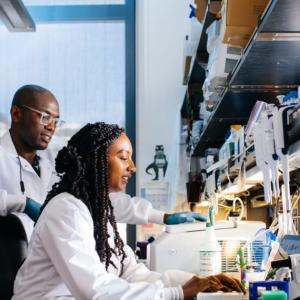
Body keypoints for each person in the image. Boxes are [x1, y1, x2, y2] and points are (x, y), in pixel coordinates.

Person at [13, 122, 245, 300]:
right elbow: (96, 291)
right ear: (96, 161)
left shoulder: (99, 212)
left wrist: (197, 282)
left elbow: (133, 274)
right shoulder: (66, 210)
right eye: (123, 158)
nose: (132, 167)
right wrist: (175, 294)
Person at [0, 85, 206, 240]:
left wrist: (161, 216)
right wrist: (23, 203)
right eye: (45, 117)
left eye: (56, 120)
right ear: (16, 113)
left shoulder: (54, 161)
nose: (51, 127)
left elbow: (98, 196)